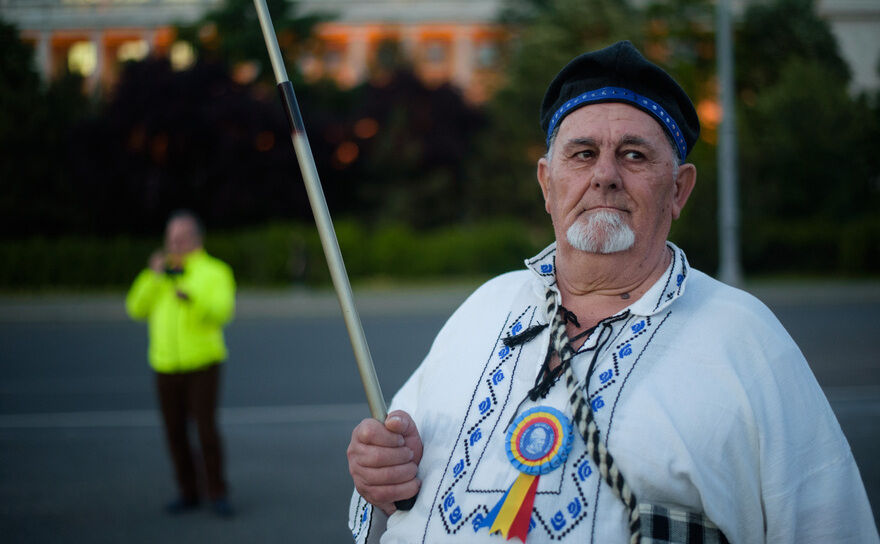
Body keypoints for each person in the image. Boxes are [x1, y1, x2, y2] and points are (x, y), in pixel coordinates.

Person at [346, 41, 878, 543]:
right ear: (546, 185)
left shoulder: (747, 341)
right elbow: (392, 489)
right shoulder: (483, 307)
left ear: (678, 189)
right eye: (581, 154)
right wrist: (381, 475)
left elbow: (829, 526)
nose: (604, 175)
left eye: (634, 155)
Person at [126, 210, 236, 518]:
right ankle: (188, 491)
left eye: (180, 237)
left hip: (202, 363)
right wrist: (152, 276)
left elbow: (221, 311)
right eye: (170, 238)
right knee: (174, 431)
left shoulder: (214, 271)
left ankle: (217, 492)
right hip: (164, 364)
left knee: (205, 430)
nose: (174, 244)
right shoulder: (159, 273)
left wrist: (192, 299)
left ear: (195, 238)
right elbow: (135, 307)